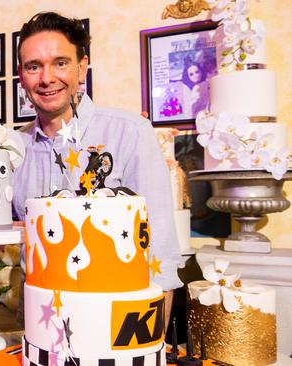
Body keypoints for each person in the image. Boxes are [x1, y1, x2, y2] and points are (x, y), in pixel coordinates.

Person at [11, 12, 182, 325]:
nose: (46, 78)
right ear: (21, 76)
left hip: (112, 319)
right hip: (39, 321)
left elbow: (160, 252)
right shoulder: (11, 147)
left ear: (82, 67)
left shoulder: (130, 132)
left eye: (60, 62)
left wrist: (148, 346)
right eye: (34, 66)